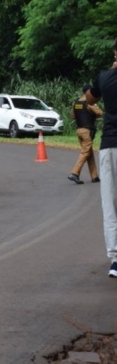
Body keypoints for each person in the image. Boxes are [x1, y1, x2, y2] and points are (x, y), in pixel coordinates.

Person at [85, 39, 117, 278]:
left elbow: (90, 98)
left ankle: (116, 259)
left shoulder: (105, 78)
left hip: (111, 145)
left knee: (111, 203)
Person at [68, 84, 103, 184]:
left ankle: (94, 176)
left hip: (79, 131)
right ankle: (74, 173)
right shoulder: (89, 102)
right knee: (85, 152)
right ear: (88, 92)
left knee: (88, 152)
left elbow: (73, 116)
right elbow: (100, 113)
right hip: (87, 131)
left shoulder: (76, 102)